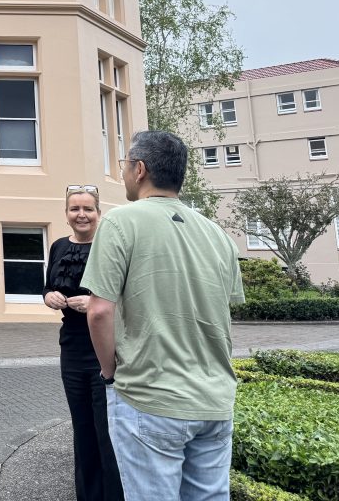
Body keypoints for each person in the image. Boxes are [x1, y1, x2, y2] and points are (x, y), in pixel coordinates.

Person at [82, 131, 244, 501]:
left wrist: (110, 375)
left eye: (125, 165)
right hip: (215, 399)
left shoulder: (120, 222)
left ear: (140, 170)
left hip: (149, 397)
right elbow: (222, 307)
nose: (123, 173)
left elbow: (99, 311)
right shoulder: (218, 234)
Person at [43, 185, 123, 501]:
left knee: (107, 431)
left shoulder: (110, 245)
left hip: (104, 347)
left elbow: (124, 296)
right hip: (72, 348)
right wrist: (48, 296)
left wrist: (93, 303)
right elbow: (49, 285)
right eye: (75, 209)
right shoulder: (58, 247)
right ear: (66, 215)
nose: (81, 214)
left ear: (98, 213)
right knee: (83, 428)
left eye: (88, 208)